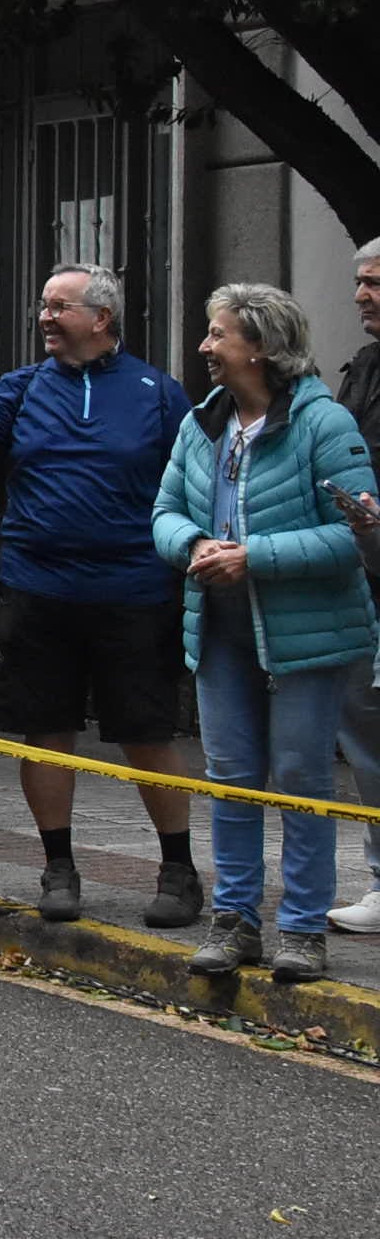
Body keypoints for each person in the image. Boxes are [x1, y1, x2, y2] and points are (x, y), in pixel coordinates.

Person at [0, 262, 199, 927]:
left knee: (147, 733)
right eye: (42, 305)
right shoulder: (21, 387)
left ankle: (178, 869)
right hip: (37, 590)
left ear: (102, 318)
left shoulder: (157, 390)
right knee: (46, 732)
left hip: (134, 591)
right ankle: (58, 865)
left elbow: (194, 479)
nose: (45, 317)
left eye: (59, 306)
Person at [156, 284, 375, 986]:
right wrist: (193, 544)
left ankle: (304, 929)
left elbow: (355, 535)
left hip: (304, 635)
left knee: (302, 779)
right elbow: (162, 512)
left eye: (217, 336)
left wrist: (255, 556)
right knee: (230, 778)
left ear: (260, 347)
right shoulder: (202, 424)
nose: (205, 349)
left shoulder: (325, 423)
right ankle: (235, 921)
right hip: (220, 632)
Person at [320, 237, 380, 935]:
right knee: (366, 738)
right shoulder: (363, 367)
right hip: (364, 578)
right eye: (360, 283)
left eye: (375, 283)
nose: (361, 295)